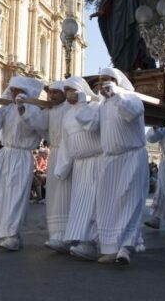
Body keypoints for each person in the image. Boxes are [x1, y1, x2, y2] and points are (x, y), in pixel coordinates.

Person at [78, 67, 148, 265]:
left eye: (107, 80)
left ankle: (126, 247)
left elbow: (132, 114)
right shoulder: (102, 105)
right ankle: (111, 247)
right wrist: (81, 104)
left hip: (131, 157)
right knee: (108, 204)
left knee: (130, 203)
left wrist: (116, 94)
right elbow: (90, 125)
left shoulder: (131, 97)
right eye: (100, 81)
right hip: (110, 160)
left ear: (117, 81)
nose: (102, 84)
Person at [0, 76, 45, 251]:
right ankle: (5, 233)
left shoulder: (34, 109)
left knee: (16, 194)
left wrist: (23, 107)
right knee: (1, 194)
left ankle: (13, 235)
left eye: (18, 90)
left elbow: (36, 125)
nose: (14, 93)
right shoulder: (7, 109)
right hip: (5, 155)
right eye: (12, 89)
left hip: (22, 155)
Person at [54, 77, 102, 261]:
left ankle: (92, 242)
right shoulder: (67, 115)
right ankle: (76, 238)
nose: (68, 94)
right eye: (66, 90)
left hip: (96, 162)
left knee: (93, 204)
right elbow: (67, 144)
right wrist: (62, 167)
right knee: (79, 204)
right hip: (80, 164)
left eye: (71, 89)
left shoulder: (94, 107)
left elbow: (91, 125)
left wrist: (82, 103)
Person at [30, 81, 72, 252]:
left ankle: (68, 235)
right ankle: (56, 235)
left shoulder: (70, 108)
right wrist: (26, 110)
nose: (51, 95)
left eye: (56, 92)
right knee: (54, 194)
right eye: (50, 92)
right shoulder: (50, 111)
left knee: (66, 193)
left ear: (64, 94)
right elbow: (39, 125)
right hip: (54, 153)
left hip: (68, 153)